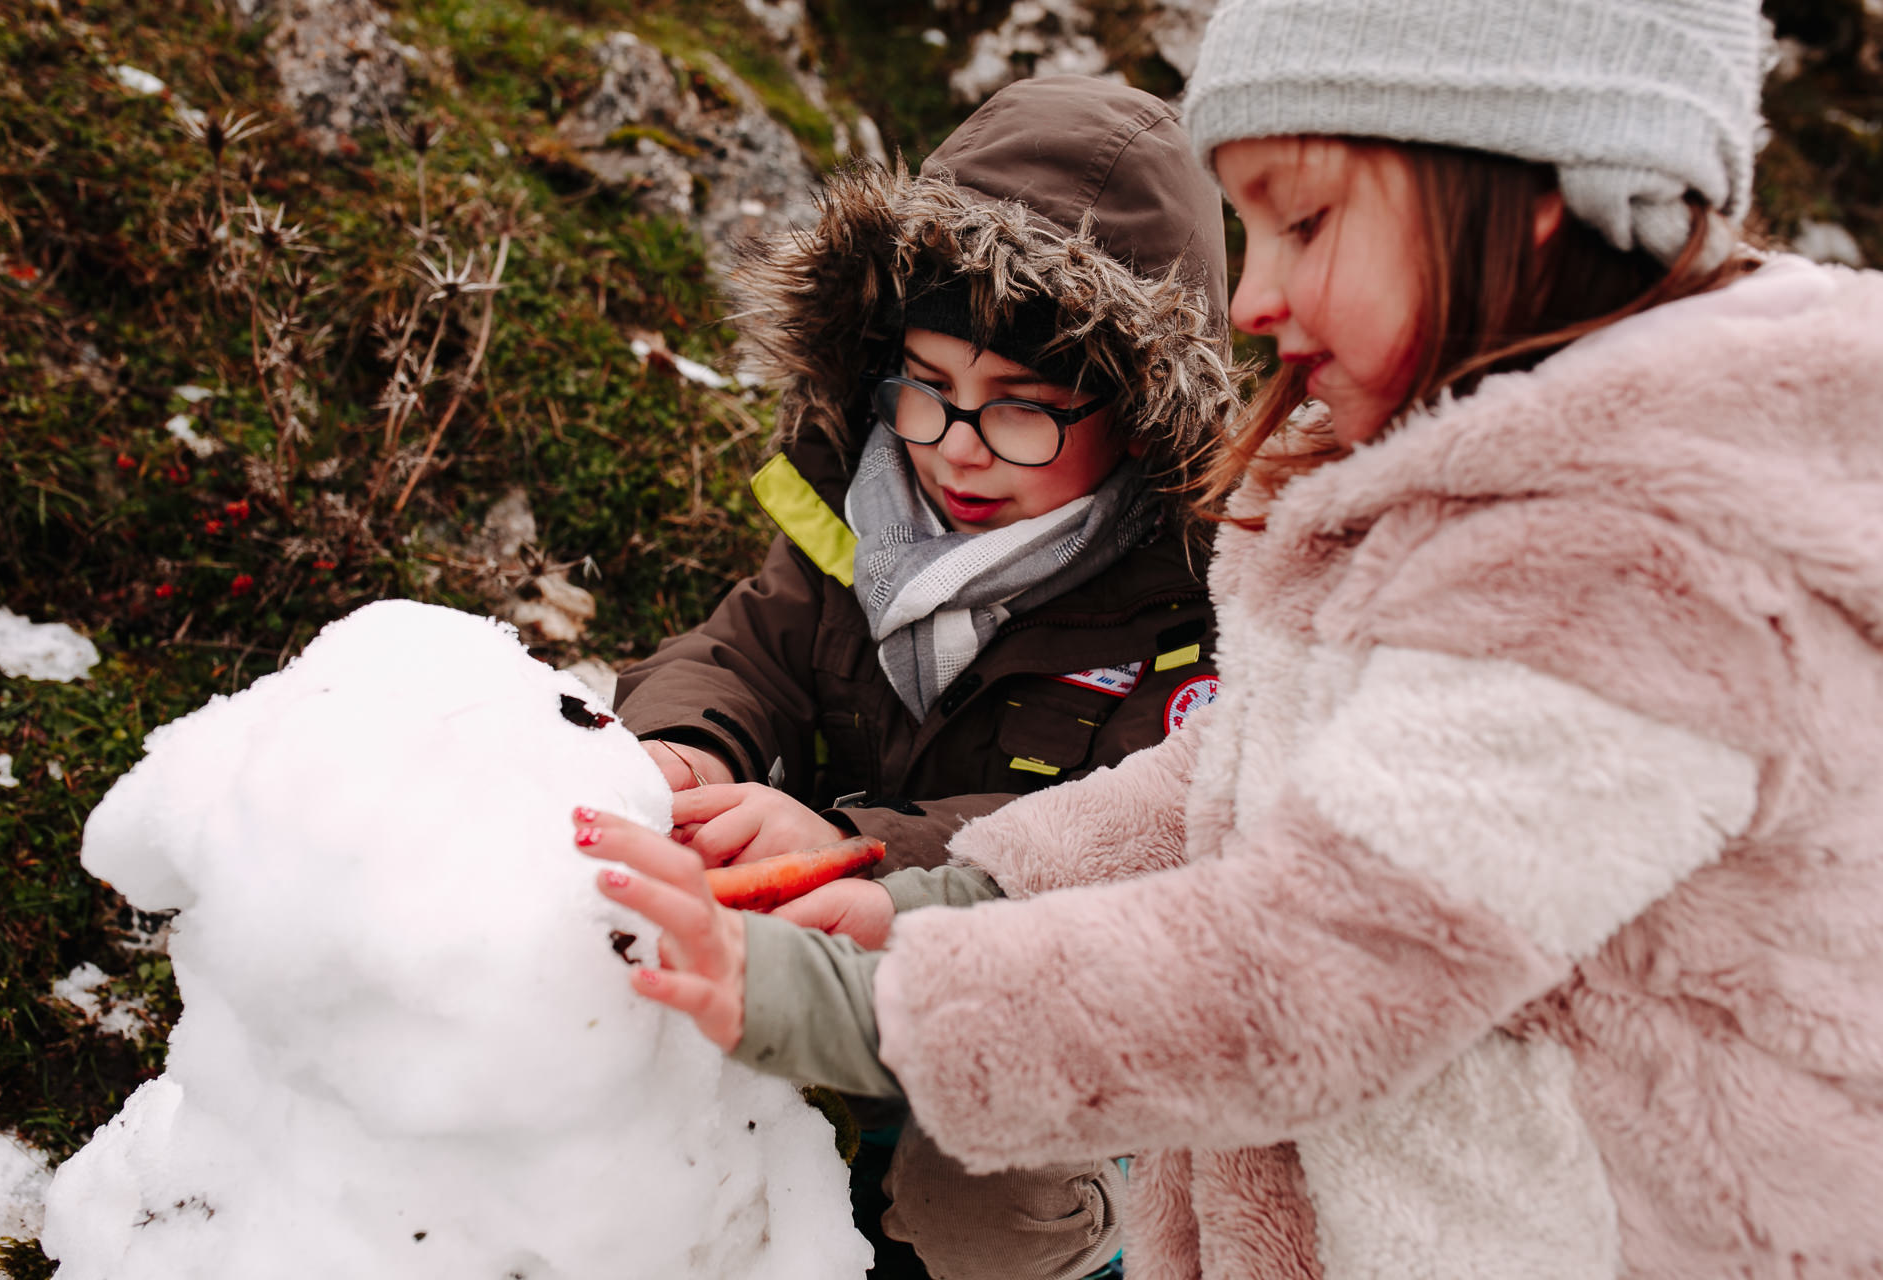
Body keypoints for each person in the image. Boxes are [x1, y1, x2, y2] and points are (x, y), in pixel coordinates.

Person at [583, 0, 1883, 1274]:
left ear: (1535, 185)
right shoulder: (1460, 488)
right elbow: (1239, 786)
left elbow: (1308, 966)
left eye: (1303, 222)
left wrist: (845, 997)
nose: (1251, 299)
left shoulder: (1634, 560)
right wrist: (933, 898)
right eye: (1247, 230)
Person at [607, 74, 1237, 1279]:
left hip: (1062, 1019)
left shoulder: (1194, 605)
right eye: (928, 386)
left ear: (1143, 411)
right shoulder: (865, 498)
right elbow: (748, 645)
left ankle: (1108, 1246)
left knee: (980, 1196)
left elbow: (1128, 843)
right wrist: (683, 747)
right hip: (834, 964)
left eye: (1023, 410)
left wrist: (852, 845)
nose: (956, 444)